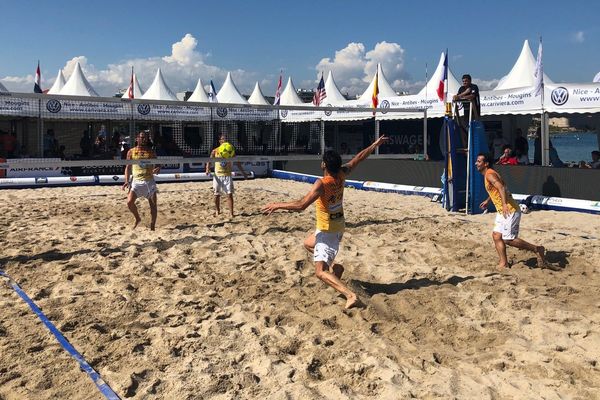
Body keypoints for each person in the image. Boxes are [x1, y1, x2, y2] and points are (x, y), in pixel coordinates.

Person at [262, 135, 390, 309]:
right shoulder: (342, 173)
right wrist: (375, 144)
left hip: (328, 230)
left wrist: (277, 205)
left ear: (324, 165)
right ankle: (336, 269)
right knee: (308, 243)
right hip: (337, 226)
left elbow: (301, 205)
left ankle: (350, 295)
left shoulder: (322, 183)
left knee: (320, 272)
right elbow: (359, 158)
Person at [476, 153, 557, 271]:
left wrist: (504, 204)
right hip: (502, 210)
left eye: (479, 161)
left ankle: (537, 249)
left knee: (508, 239)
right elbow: (499, 188)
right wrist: (488, 200)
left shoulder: (489, 174)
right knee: (496, 236)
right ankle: (504, 263)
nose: (476, 163)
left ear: (486, 163)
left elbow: (501, 188)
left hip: (509, 210)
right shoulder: (490, 174)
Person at [121, 131, 160, 230]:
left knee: (153, 207)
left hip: (149, 181)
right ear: (137, 139)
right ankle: (138, 218)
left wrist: (158, 168)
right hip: (136, 181)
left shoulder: (151, 151)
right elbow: (128, 167)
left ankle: (152, 226)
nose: (144, 139)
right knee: (129, 202)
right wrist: (126, 181)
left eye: (145, 138)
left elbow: (158, 165)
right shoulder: (131, 151)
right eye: (142, 137)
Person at [205, 133, 248, 217]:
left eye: (226, 139)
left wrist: (243, 173)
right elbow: (209, 160)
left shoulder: (230, 151)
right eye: (223, 139)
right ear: (220, 141)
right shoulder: (215, 151)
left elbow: (238, 163)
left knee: (229, 194)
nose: (225, 140)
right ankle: (217, 210)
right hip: (217, 175)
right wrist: (207, 168)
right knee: (216, 195)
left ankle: (231, 213)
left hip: (227, 175)